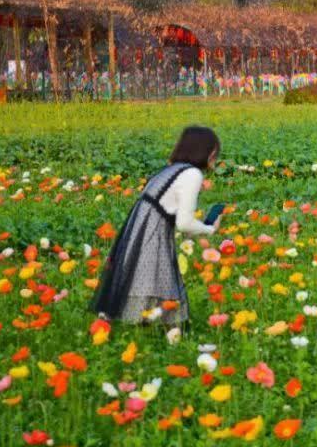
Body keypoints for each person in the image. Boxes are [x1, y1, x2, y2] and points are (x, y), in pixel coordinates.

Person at [92, 126, 222, 330]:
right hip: (152, 229)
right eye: (214, 150)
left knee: (141, 276)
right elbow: (184, 223)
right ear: (205, 150)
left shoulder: (170, 170)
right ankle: (156, 331)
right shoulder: (192, 174)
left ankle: (124, 326)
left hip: (139, 226)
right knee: (154, 278)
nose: (215, 155)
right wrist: (210, 229)